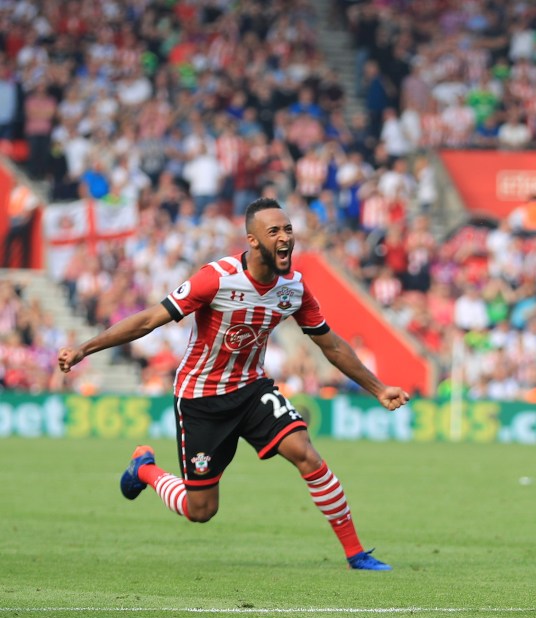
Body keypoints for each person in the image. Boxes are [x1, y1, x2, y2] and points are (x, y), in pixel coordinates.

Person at [57, 197, 409, 571]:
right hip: (201, 398)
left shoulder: (293, 289)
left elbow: (331, 344)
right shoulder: (217, 278)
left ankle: (356, 553)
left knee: (306, 454)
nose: (285, 237)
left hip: (252, 389)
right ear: (252, 240)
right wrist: (85, 348)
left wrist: (377, 388)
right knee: (201, 510)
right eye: (274, 231)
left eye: (288, 229)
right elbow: (149, 320)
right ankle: (145, 468)